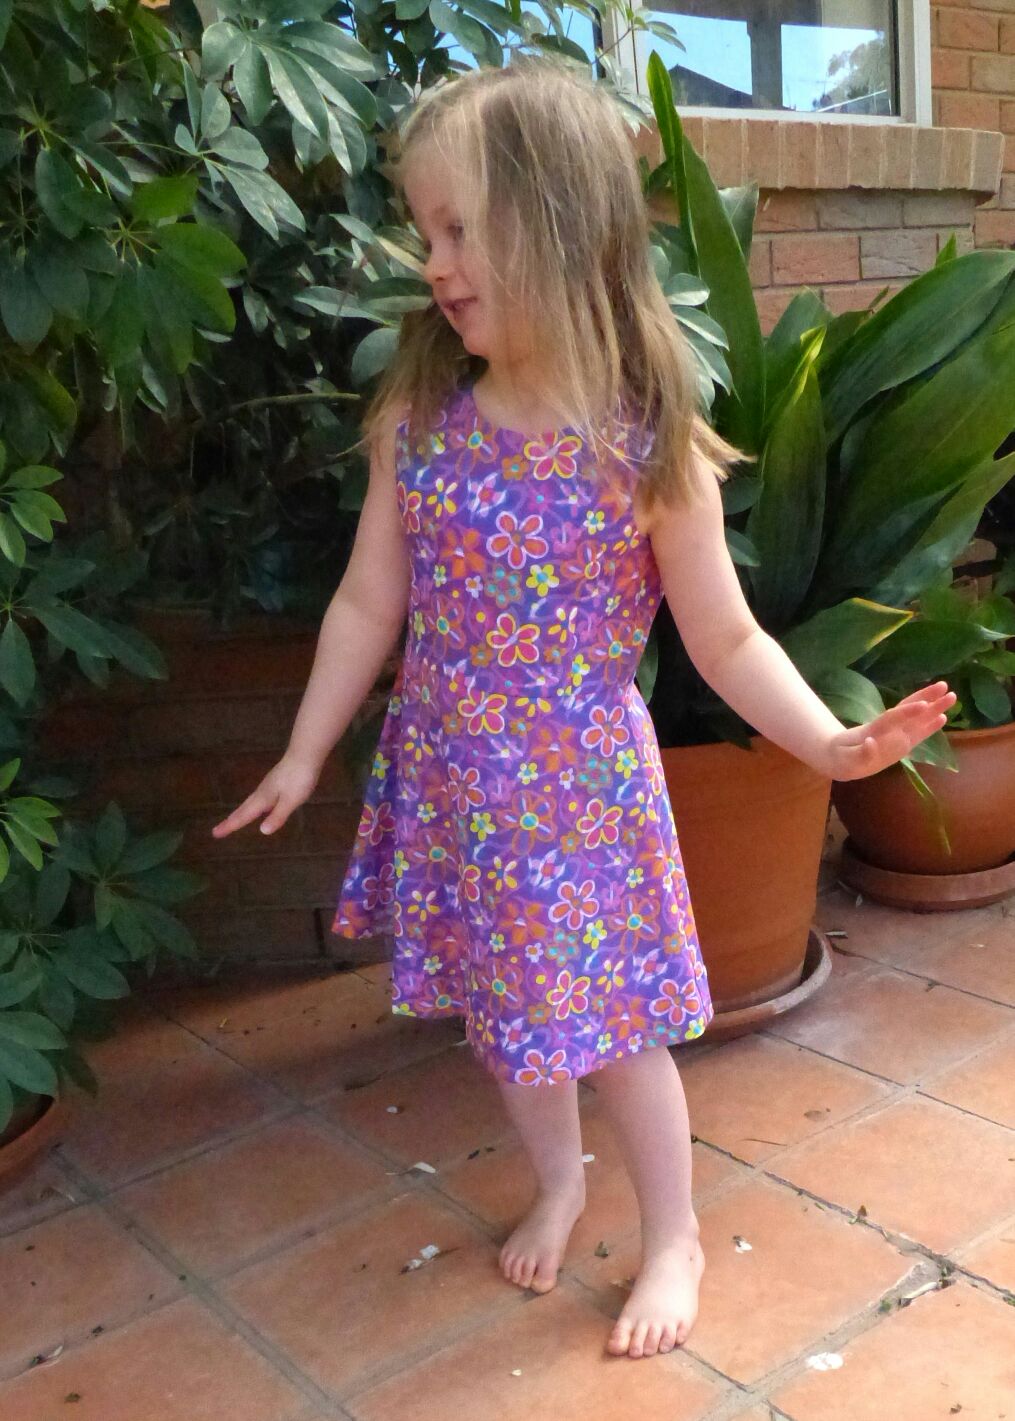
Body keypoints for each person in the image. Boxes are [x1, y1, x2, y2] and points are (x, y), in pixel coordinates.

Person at [211, 57, 954, 1361]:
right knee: (505, 1015)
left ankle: (673, 1229)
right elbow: (367, 601)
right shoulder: (418, 422)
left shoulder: (646, 445)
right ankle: (558, 1179)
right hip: (455, 779)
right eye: (427, 230)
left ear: (557, 227)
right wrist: (304, 748)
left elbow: (726, 636)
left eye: (461, 229)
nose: (434, 262)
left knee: (613, 1032)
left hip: (579, 795)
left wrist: (830, 743)